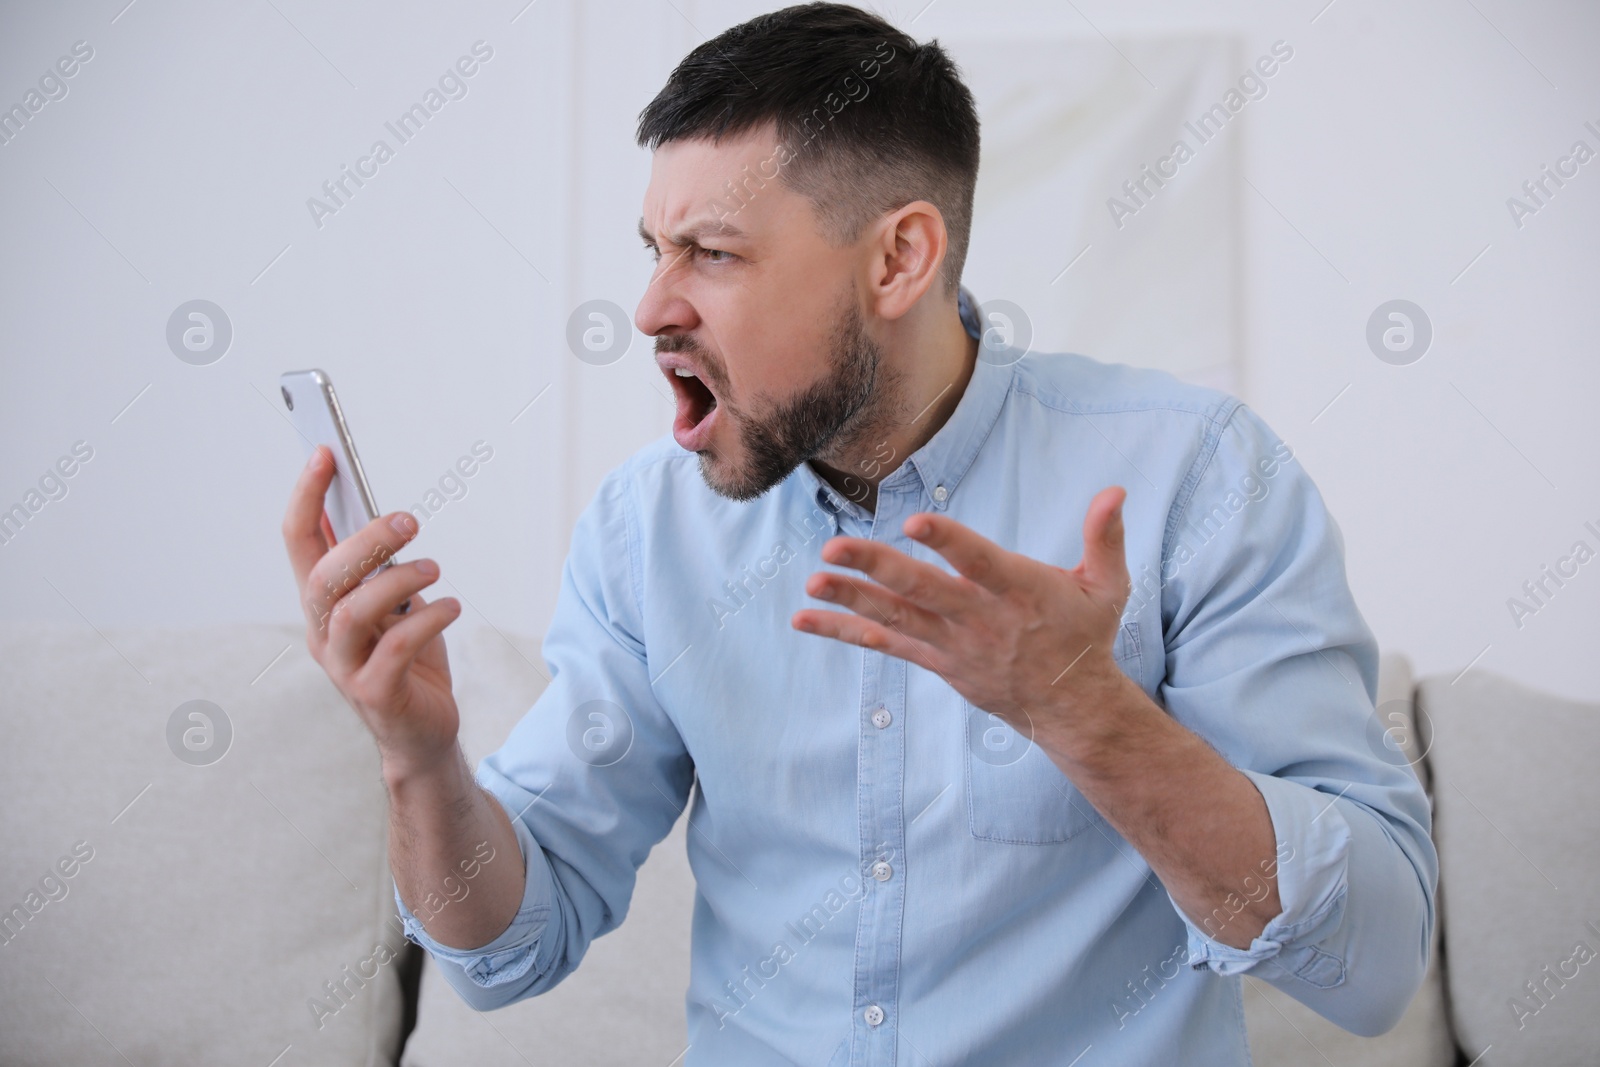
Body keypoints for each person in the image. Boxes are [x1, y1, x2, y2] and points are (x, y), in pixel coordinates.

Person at [281, 4, 1436, 1063]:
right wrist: (418, 759)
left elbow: (1373, 964)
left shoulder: (1195, 473)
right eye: (654, 248)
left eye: (714, 254)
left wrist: (1084, 709)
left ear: (898, 258)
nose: (650, 309)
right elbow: (506, 948)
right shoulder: (650, 528)